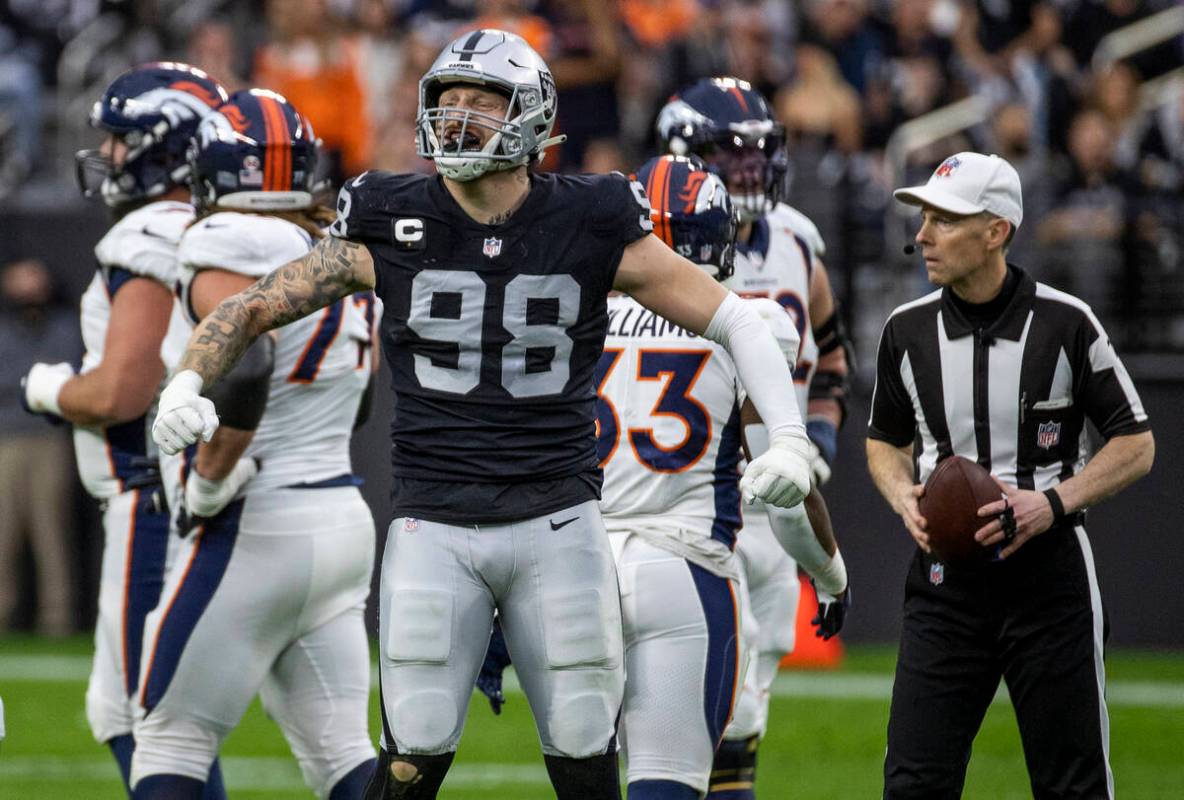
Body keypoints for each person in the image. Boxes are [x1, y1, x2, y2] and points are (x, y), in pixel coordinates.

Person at [150, 29, 816, 800]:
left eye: (482, 99)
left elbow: (735, 318)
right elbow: (255, 304)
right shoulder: (388, 212)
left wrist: (792, 440)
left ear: (531, 114)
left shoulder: (592, 215)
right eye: (448, 99)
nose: (460, 115)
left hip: (557, 521)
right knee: (413, 753)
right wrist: (185, 383)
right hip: (434, 520)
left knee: (583, 748)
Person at [868, 151, 1154, 799]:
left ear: (996, 230)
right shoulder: (905, 330)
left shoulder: (1066, 322)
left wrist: (1052, 502)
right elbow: (884, 441)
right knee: (912, 785)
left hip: (1048, 583)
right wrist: (903, 496)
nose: (923, 235)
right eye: (924, 218)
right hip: (944, 587)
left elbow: (1136, 442)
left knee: (1073, 785)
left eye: (944, 219)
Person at [129, 88, 379, 800]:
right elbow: (360, 398)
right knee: (341, 754)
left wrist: (209, 478)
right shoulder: (338, 249)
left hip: (255, 518)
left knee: (170, 735)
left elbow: (250, 355)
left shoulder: (227, 238)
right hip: (337, 515)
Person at [594, 153, 849, 800]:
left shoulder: (570, 313)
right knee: (673, 782)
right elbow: (785, 491)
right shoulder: (747, 322)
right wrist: (829, 577)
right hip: (683, 565)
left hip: (574, 573)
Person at [21, 62, 230, 799]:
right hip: (195, 487)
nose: (107, 155)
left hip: (153, 491)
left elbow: (122, 390)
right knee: (132, 711)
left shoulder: (152, 230)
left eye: (121, 139)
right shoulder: (219, 227)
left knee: (150, 717)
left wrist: (48, 388)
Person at [656, 76, 852, 799]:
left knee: (741, 728)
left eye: (758, 155)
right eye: (730, 156)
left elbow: (830, 357)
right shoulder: (643, 241)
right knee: (664, 726)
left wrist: (819, 444)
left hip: (770, 511)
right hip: (674, 503)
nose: (748, 172)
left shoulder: (798, 240)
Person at [0, 258, 79, 637]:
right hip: (7, 441)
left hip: (50, 438)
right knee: (4, 531)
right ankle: (4, 611)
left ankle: (57, 618)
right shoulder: (3, 330)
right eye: (20, 281)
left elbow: (74, 372)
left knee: (52, 530)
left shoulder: (65, 327)